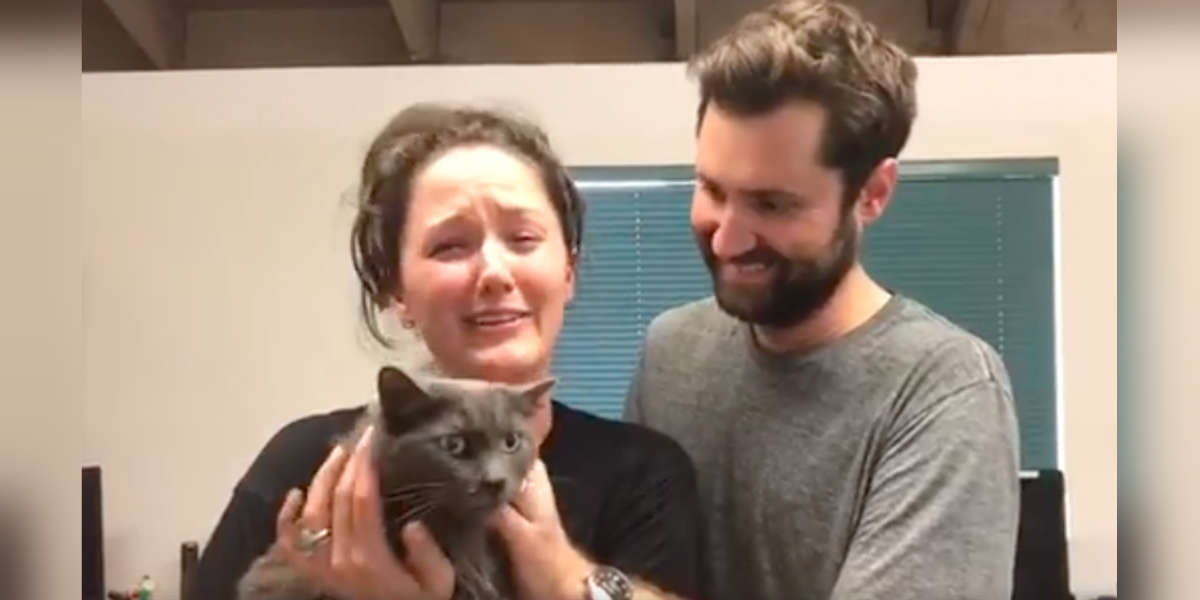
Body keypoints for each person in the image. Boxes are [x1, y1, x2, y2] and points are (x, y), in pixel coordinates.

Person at [193, 104, 705, 600]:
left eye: (522, 238)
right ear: (397, 291)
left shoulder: (642, 478)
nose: (494, 273)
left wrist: (564, 578)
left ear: (568, 270)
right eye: (450, 246)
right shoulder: (306, 464)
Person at [620, 1, 1022, 599]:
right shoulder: (671, 354)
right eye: (712, 189)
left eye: (772, 204)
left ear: (872, 194)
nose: (727, 239)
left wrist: (568, 575)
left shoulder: (943, 392)